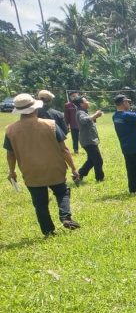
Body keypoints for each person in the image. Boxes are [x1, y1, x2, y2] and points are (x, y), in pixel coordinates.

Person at [4, 94, 80, 236]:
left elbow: (10, 154)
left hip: (30, 171)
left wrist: (12, 171)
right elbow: (63, 149)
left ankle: (48, 231)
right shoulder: (50, 124)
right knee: (62, 192)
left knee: (40, 203)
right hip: (54, 167)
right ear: (34, 109)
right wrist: (74, 168)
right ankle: (65, 217)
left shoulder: (10, 130)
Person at [74, 96, 105, 182]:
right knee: (98, 160)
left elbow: (88, 122)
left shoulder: (84, 112)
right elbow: (84, 120)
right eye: (86, 101)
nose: (88, 102)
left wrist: (96, 116)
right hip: (88, 141)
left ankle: (78, 175)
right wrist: (95, 115)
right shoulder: (80, 112)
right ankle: (100, 178)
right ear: (81, 104)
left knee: (91, 160)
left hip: (89, 140)